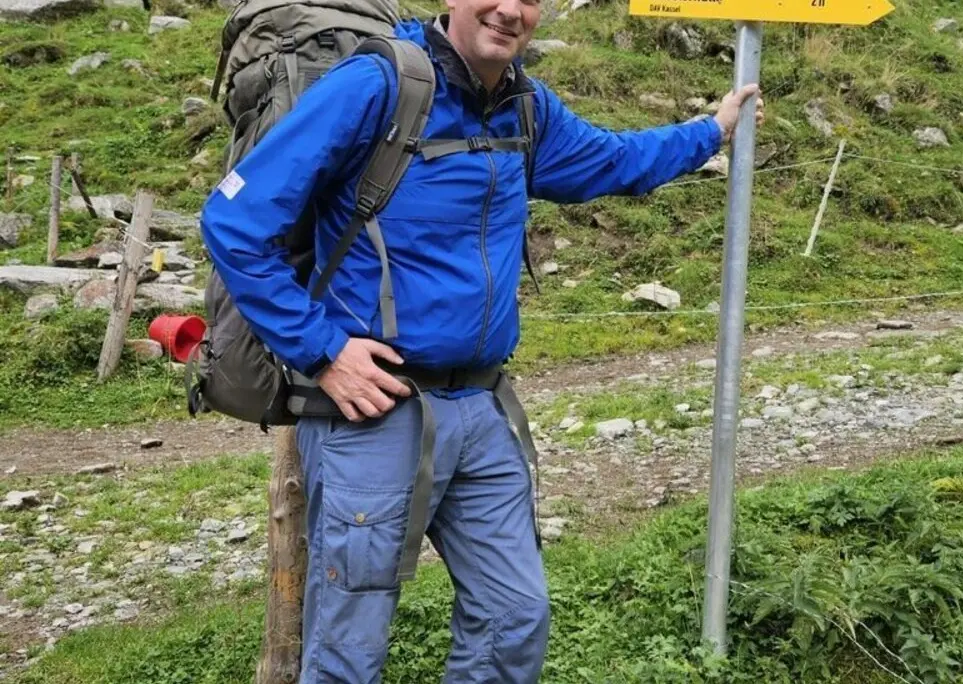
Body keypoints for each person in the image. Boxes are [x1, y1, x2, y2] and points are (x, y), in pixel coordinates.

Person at [199, 0, 764, 680]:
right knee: (350, 648)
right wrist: (323, 351)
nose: (510, 9)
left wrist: (711, 129)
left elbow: (613, 161)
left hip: (481, 406)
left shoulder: (526, 106)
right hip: (376, 411)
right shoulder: (375, 86)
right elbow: (234, 221)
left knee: (513, 617)